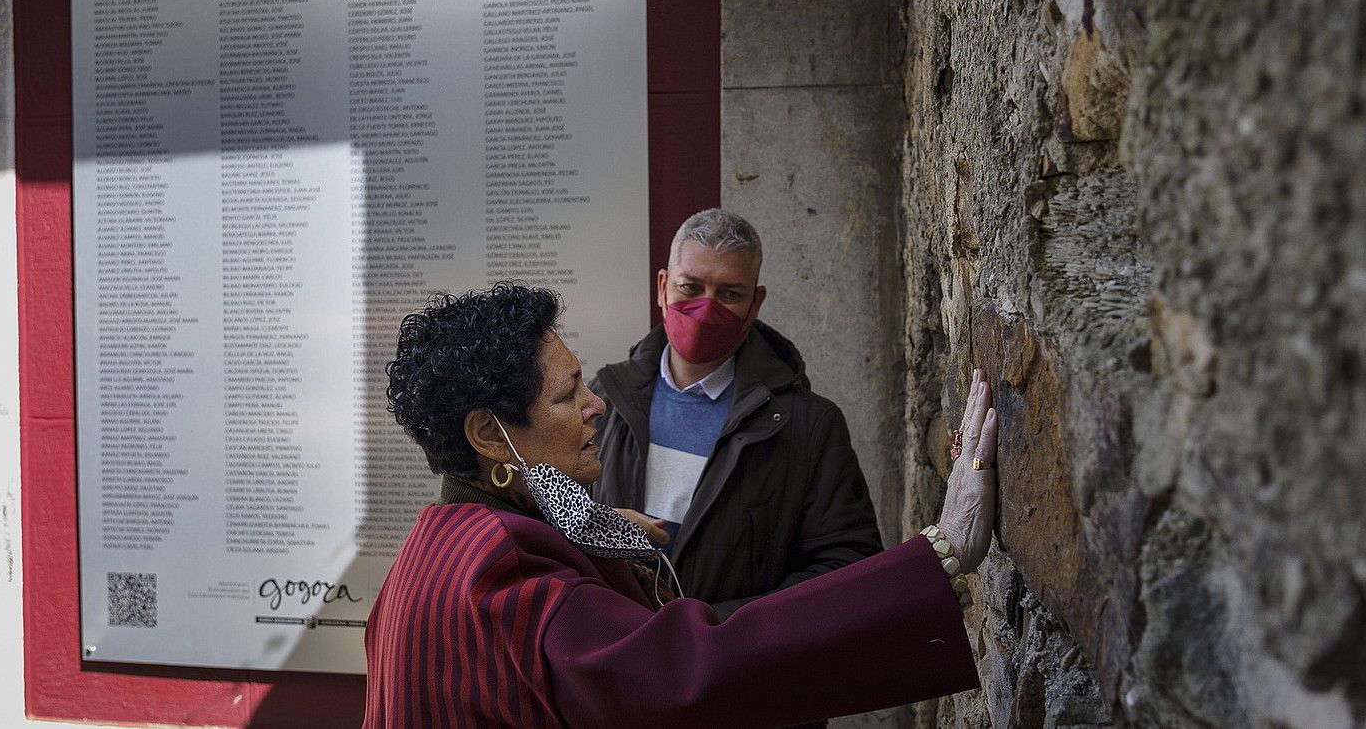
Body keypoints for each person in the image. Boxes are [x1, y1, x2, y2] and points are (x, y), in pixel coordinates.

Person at [363, 282, 1002, 727]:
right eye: (567, 396)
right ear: (486, 435)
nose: (595, 405)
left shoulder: (434, 546)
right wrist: (940, 552)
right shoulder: (503, 575)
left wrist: (587, 535)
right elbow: (693, 671)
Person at [590, 208, 881, 618]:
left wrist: (718, 631)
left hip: (734, 670)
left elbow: (846, 568)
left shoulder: (809, 427)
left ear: (755, 302)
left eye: (729, 294)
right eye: (690, 288)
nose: (707, 310)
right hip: (615, 657)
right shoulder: (602, 403)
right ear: (662, 288)